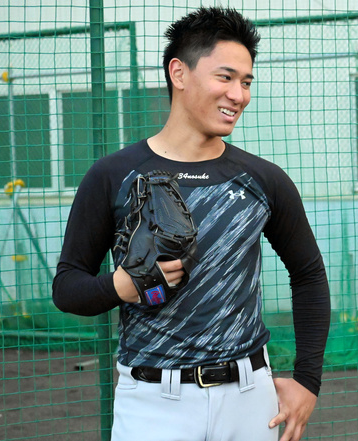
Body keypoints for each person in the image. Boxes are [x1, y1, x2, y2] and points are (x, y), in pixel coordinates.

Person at [52, 7, 330, 441]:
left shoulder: (263, 179)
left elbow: (309, 274)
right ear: (178, 73)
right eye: (225, 77)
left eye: (246, 81)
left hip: (249, 397)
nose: (238, 94)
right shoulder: (113, 175)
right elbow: (67, 287)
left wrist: (307, 381)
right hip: (152, 401)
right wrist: (122, 285)